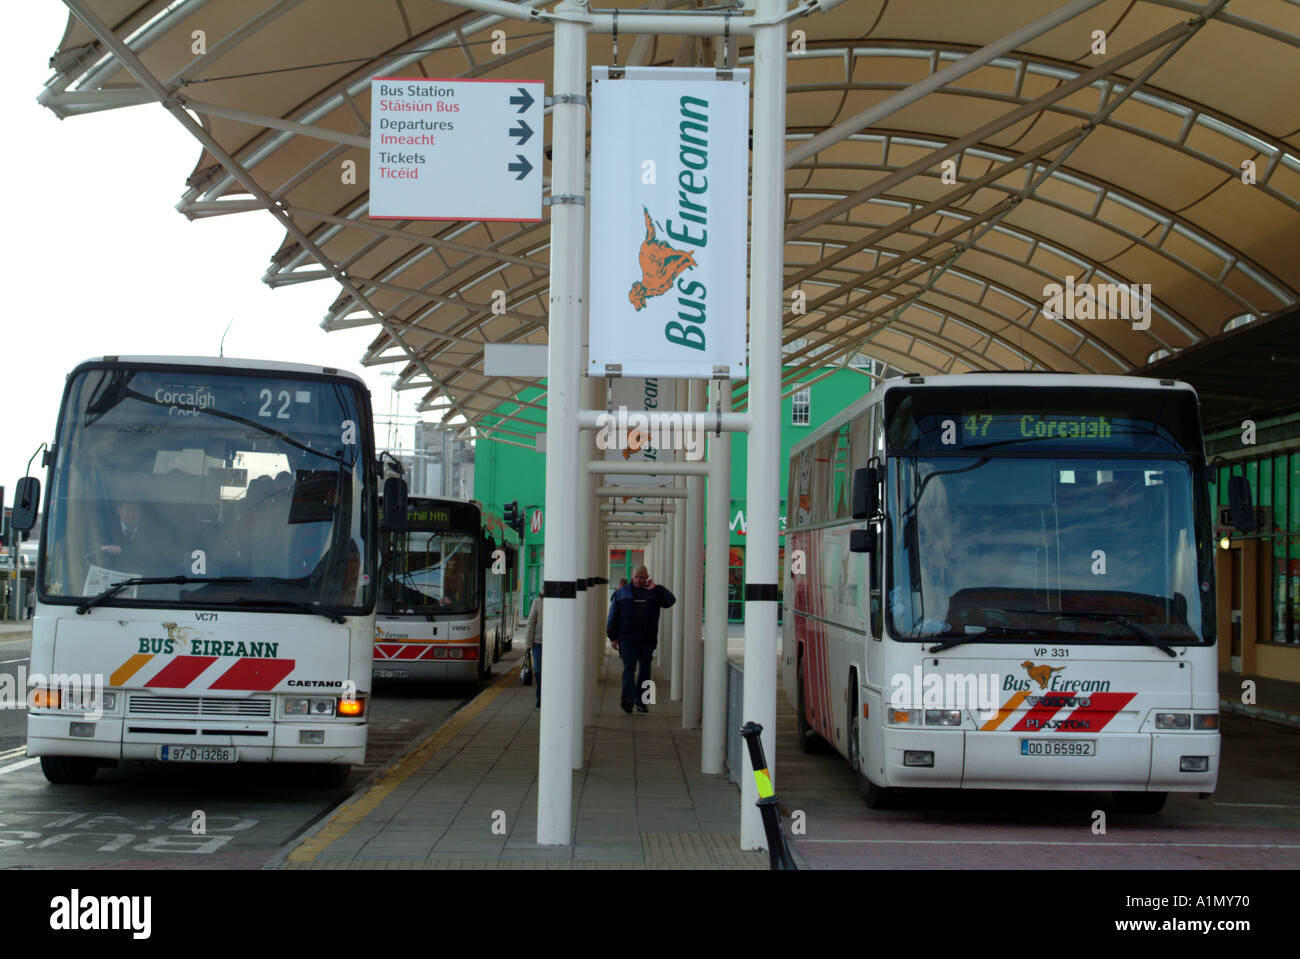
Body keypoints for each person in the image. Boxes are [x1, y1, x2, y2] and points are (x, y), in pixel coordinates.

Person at [606, 565, 675, 713]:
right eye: (636, 577)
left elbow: (671, 601)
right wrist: (613, 637)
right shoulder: (622, 593)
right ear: (632, 576)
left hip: (647, 639)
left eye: (642, 577)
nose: (638, 580)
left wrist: (656, 588)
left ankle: (643, 702)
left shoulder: (654, 593)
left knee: (646, 669)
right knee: (629, 669)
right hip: (627, 638)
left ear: (647, 577)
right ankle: (627, 701)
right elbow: (613, 615)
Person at [525, 595, 543, 708]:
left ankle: (543, 696)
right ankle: (540, 697)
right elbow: (530, 623)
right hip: (538, 643)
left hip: (551, 645)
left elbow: (530, 623)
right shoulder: (537, 602)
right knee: (538, 671)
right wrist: (528, 644)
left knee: (542, 671)